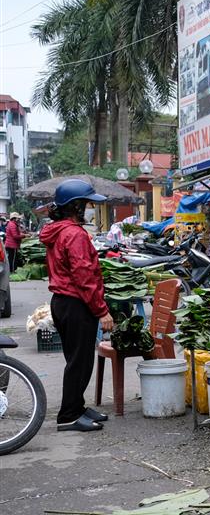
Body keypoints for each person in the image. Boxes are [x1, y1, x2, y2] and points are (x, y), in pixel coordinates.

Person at [39, 179, 115, 432]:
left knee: (77, 359)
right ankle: (69, 415)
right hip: (75, 302)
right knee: (79, 362)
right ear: (76, 207)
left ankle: (78, 407)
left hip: (63, 302)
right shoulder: (74, 234)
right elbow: (84, 277)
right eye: (88, 204)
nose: (90, 209)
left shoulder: (60, 230)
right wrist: (102, 310)